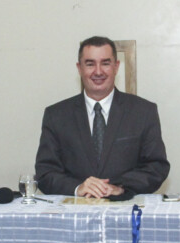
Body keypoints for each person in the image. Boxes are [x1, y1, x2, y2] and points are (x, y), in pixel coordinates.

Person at [35, 36, 169, 199]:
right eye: (90, 64)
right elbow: (45, 172)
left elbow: (156, 167)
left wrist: (119, 188)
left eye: (105, 63)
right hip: (74, 211)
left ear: (116, 67)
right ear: (79, 68)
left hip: (125, 208)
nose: (98, 72)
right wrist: (77, 188)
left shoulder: (143, 111)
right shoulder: (56, 115)